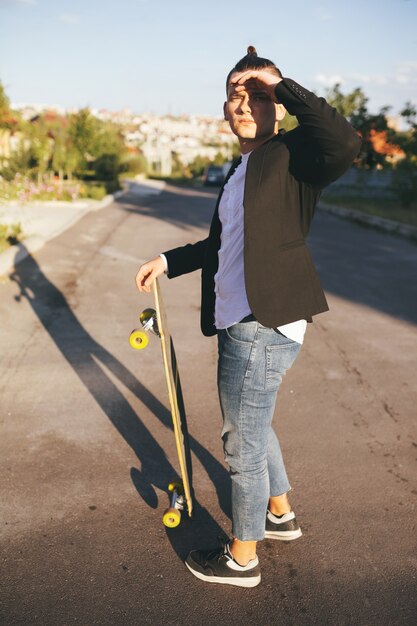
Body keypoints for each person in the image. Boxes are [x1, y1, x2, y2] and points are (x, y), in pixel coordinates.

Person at [135, 46, 361, 588]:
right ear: (224, 110)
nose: (246, 102)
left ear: (277, 106)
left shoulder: (293, 156)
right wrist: (168, 261)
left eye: (257, 95)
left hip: (262, 322)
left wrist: (279, 84)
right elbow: (221, 245)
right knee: (253, 426)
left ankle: (242, 557)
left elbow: (345, 141)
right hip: (245, 319)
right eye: (237, 94)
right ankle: (279, 516)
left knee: (242, 444)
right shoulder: (241, 169)